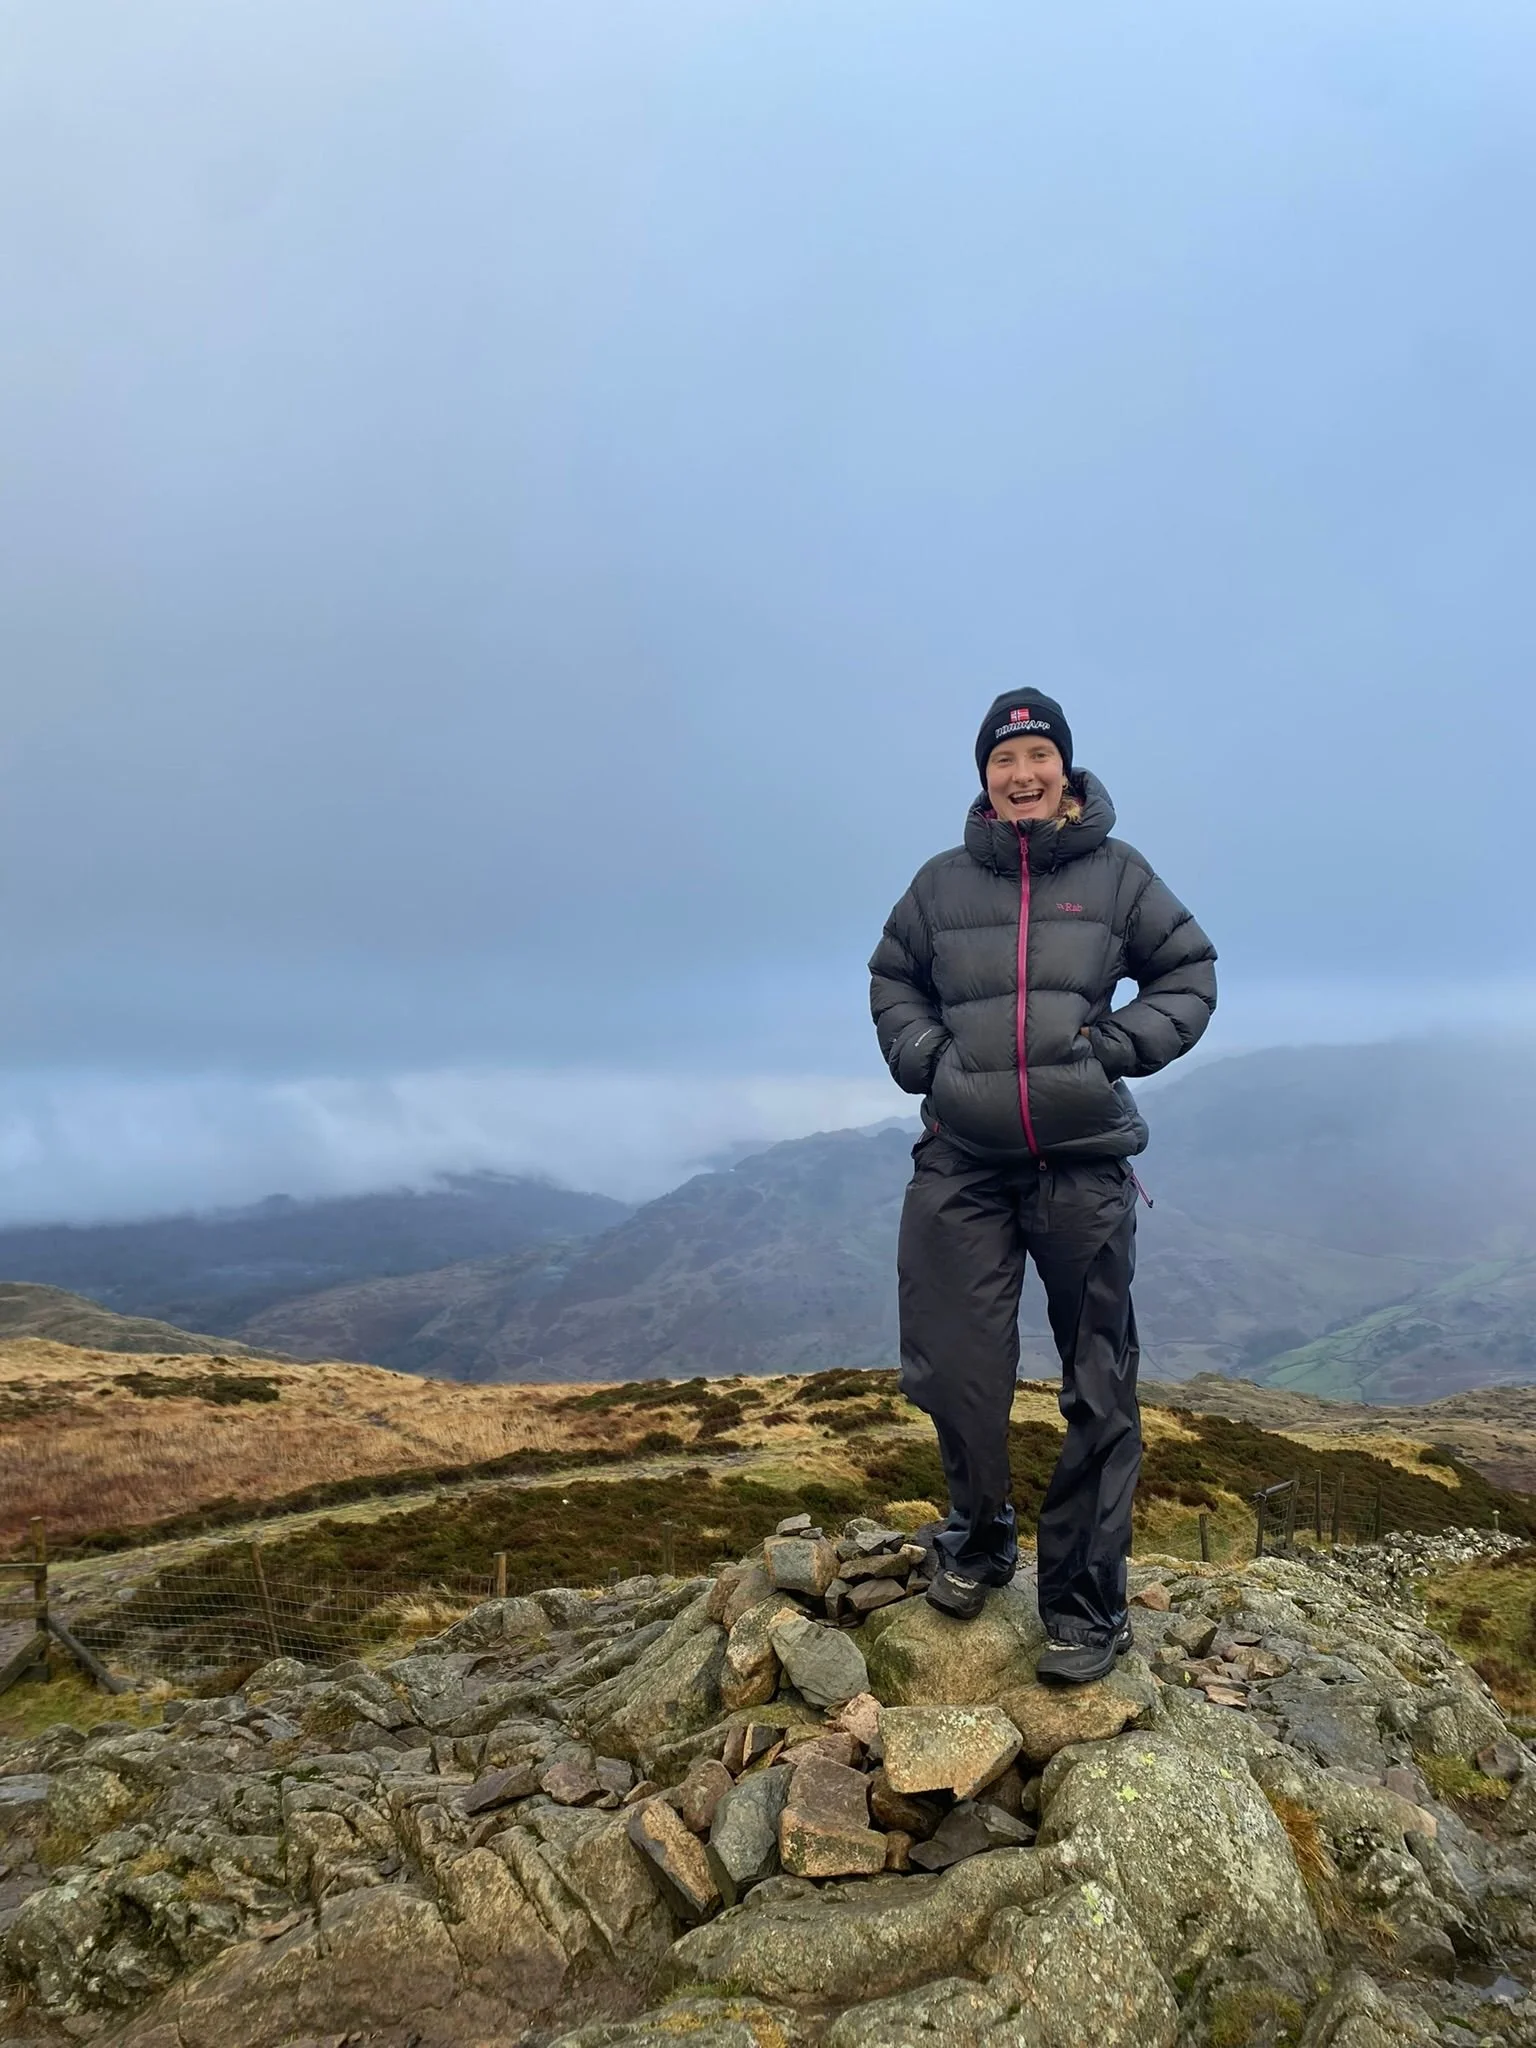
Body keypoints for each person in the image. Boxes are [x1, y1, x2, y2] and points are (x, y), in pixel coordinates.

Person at [869, 693, 1216, 1683]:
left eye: (1038, 755)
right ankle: (979, 1537)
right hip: (963, 1159)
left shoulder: (1119, 874)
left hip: (1083, 1158)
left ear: (1064, 767)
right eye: (1004, 758)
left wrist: (1113, 1048)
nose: (1022, 774)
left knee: (1098, 1384)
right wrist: (927, 1058)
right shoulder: (940, 883)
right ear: (984, 775)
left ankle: (1085, 1599)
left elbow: (1188, 972)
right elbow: (893, 977)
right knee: (954, 1365)